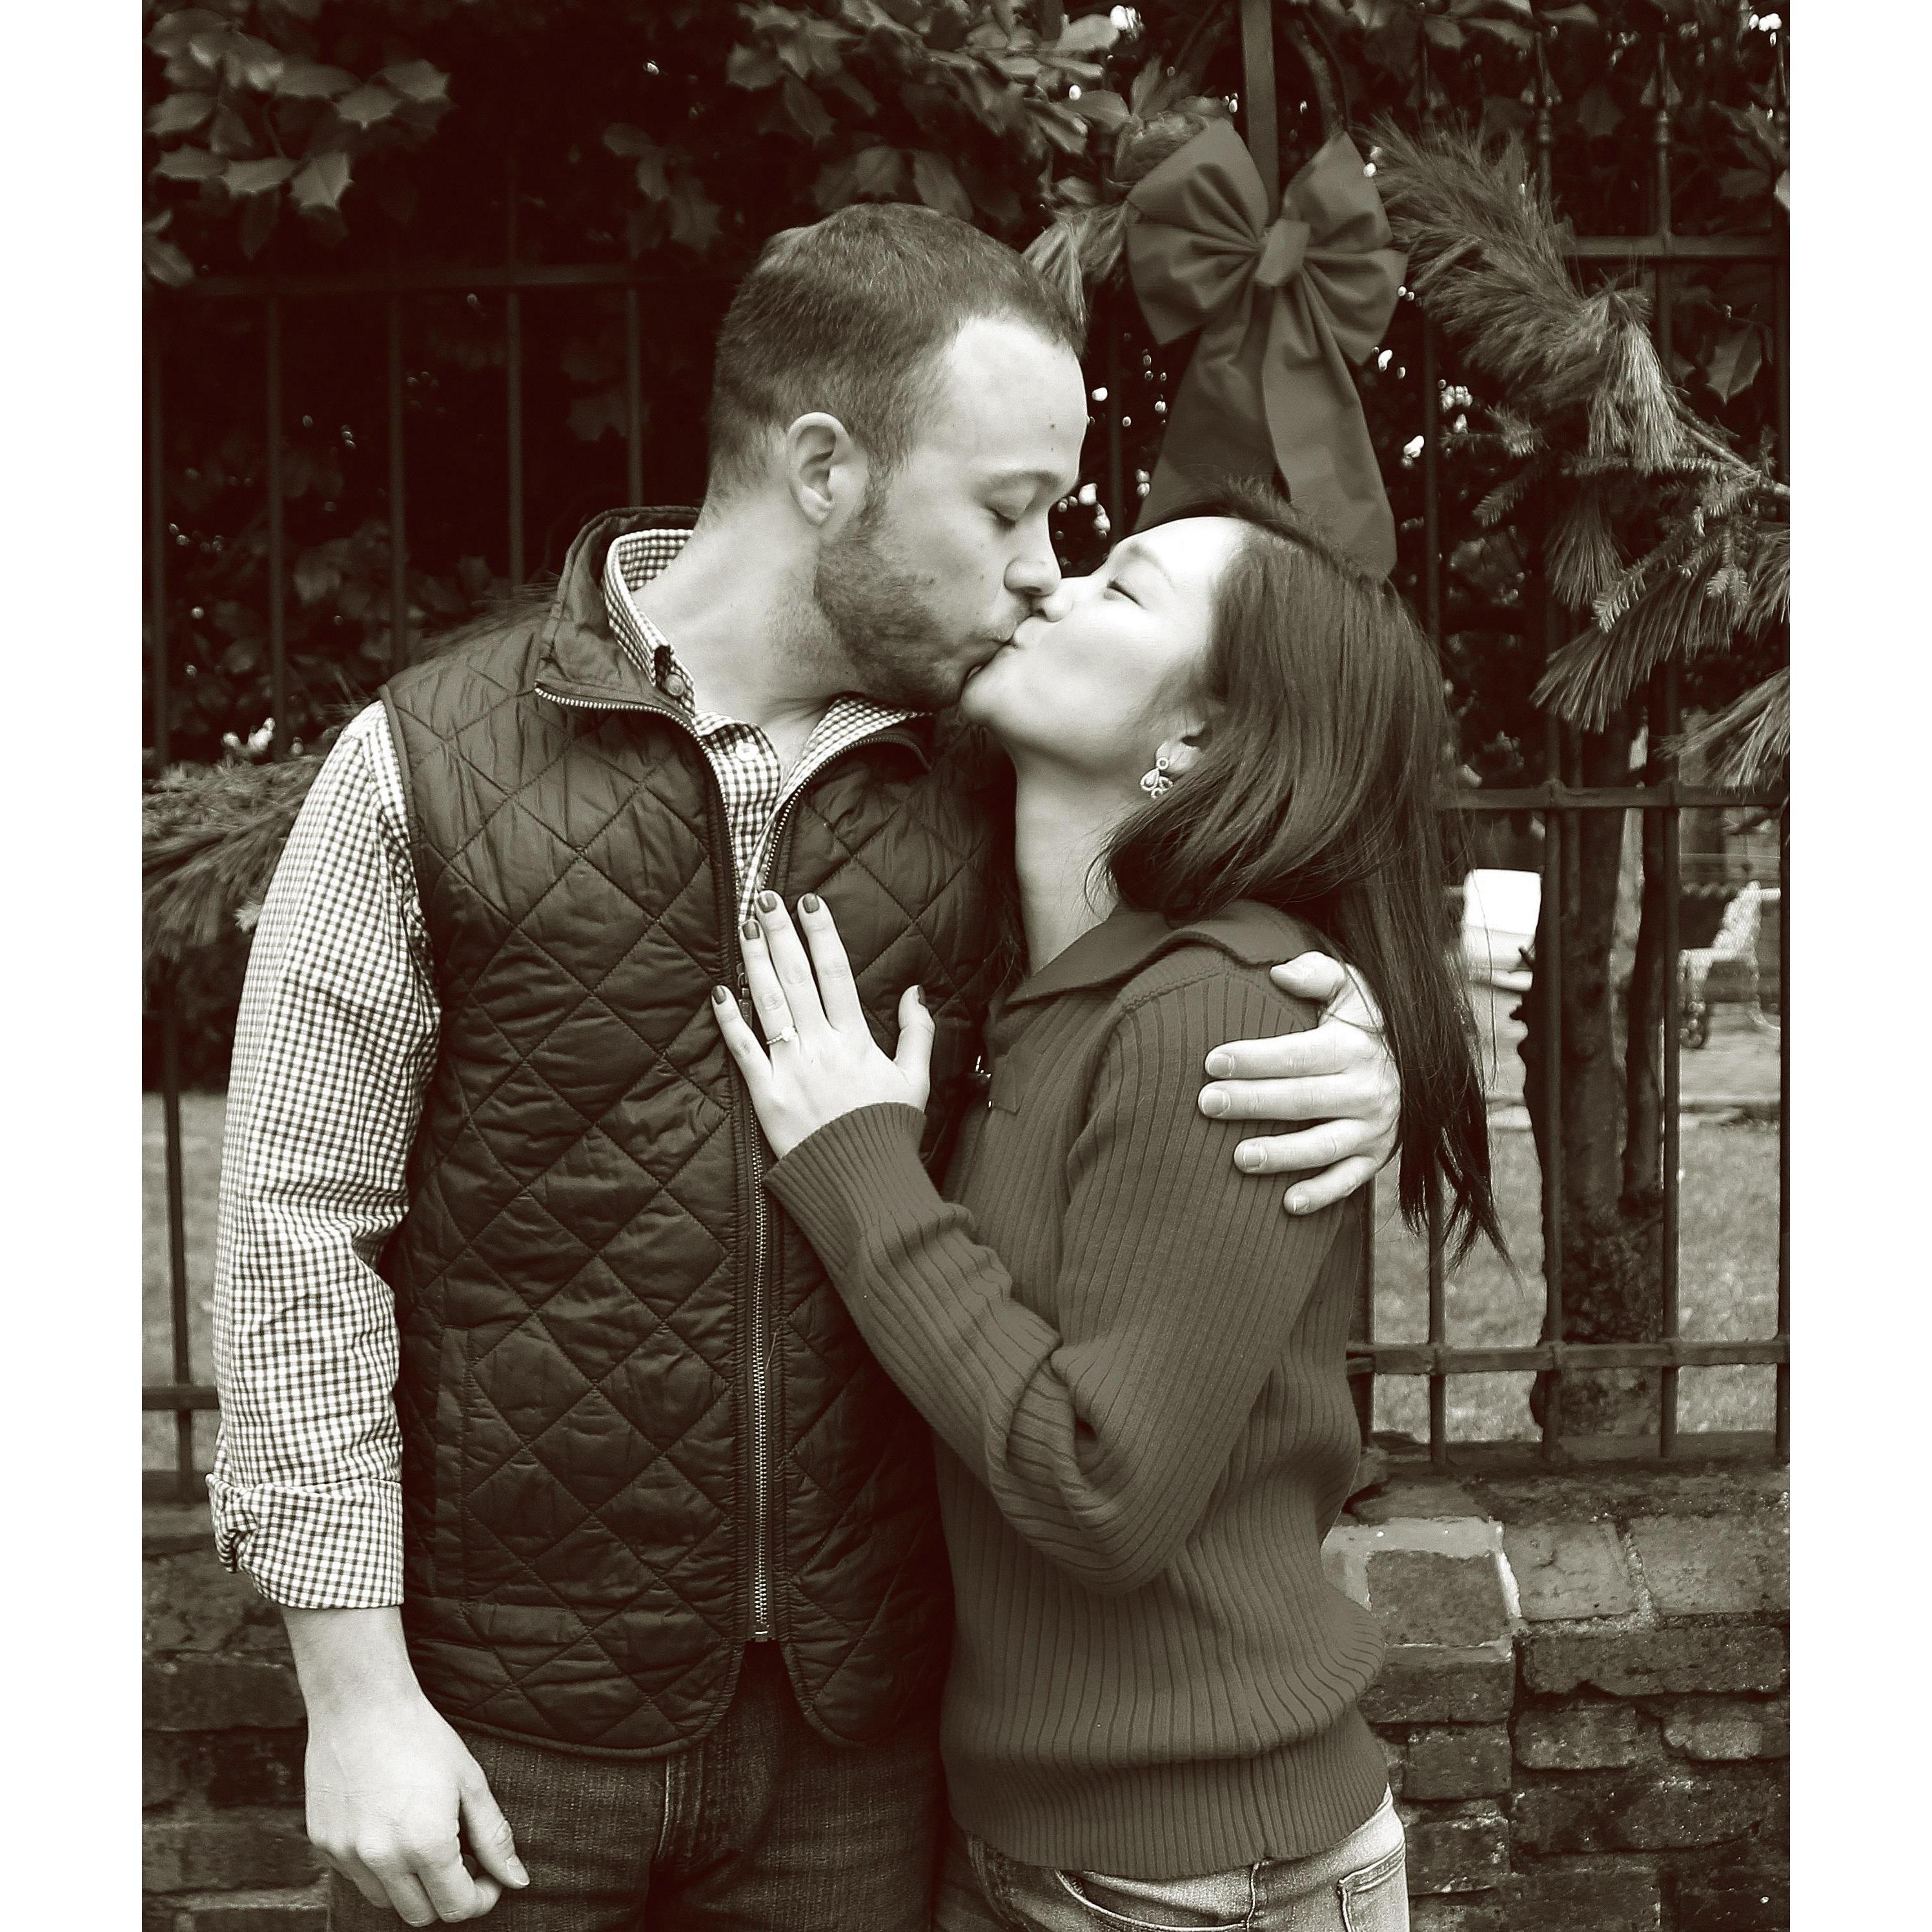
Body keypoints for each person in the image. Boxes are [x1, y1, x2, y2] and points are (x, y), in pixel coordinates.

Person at [210, 207, 1403, 1932]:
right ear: (829, 469)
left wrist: (1352, 1040)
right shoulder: (423, 763)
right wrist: (354, 1691)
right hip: (505, 1736)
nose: (1042, 568)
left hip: (866, 1747)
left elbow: (1204, 929)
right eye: (1007, 507)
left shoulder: (999, 775)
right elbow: (297, 1229)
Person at [713, 483, 1503, 1932]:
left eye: (1121, 588)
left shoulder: (1219, 1009)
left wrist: (860, 1165)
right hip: (1045, 1845)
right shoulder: (1048, 991)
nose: (1048, 585)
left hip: (1202, 1876)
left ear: (1198, 738)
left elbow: (1102, 1488)